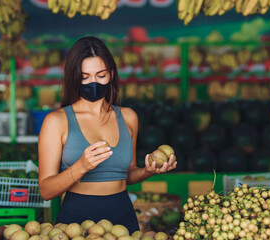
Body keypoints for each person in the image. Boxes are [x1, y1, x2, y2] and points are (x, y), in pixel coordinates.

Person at [38, 36, 177, 233]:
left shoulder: (128, 117)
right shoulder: (56, 121)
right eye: (85, 77)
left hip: (124, 218)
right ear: (74, 77)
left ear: (111, 74)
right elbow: (46, 190)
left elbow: (126, 174)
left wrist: (149, 171)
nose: (93, 82)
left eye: (100, 75)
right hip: (76, 224)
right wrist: (81, 166)